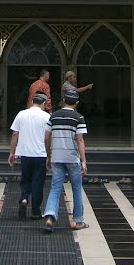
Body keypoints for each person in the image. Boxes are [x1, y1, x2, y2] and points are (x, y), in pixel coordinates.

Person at [43, 89, 88, 232]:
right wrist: (83, 161)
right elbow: (80, 140)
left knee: (55, 187)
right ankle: (79, 221)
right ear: (76, 103)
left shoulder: (54, 117)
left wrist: (48, 155)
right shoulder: (78, 118)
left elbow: (47, 137)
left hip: (56, 156)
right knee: (76, 189)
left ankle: (49, 215)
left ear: (63, 100)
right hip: (72, 157)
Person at [7, 92, 51, 219]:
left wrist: (12, 152)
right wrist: (49, 155)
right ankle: (36, 212)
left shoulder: (21, 114)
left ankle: (24, 199)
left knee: (25, 179)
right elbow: (48, 138)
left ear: (32, 102)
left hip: (24, 154)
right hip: (40, 154)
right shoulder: (46, 117)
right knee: (38, 182)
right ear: (43, 103)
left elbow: (15, 134)